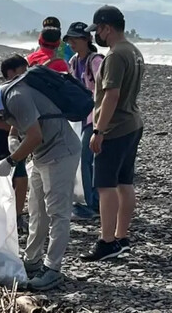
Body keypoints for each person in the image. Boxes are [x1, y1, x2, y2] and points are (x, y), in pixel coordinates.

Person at [0, 82, 81, 291]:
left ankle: (53, 269)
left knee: (57, 212)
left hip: (61, 151)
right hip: (42, 154)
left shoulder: (15, 96)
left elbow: (35, 135)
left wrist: (11, 160)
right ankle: (32, 259)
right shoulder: (3, 100)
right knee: (37, 209)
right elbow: (22, 121)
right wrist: (13, 137)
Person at [81, 6, 144, 261]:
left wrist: (99, 130)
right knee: (124, 182)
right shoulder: (134, 51)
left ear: (107, 28)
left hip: (115, 127)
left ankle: (107, 241)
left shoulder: (116, 55)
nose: (97, 35)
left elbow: (112, 94)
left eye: (97, 30)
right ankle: (122, 236)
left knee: (105, 185)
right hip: (132, 123)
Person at [63, 22, 105, 220]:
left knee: (84, 159)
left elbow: (104, 92)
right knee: (86, 160)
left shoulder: (95, 61)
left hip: (93, 117)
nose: (72, 43)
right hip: (81, 117)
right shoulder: (73, 61)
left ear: (87, 39)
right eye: (70, 40)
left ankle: (89, 204)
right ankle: (92, 201)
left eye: (75, 39)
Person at [0, 54, 29, 230]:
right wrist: (21, 130)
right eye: (22, 71)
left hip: (16, 143)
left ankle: (17, 216)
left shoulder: (20, 94)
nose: (25, 75)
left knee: (21, 178)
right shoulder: (0, 94)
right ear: (10, 72)